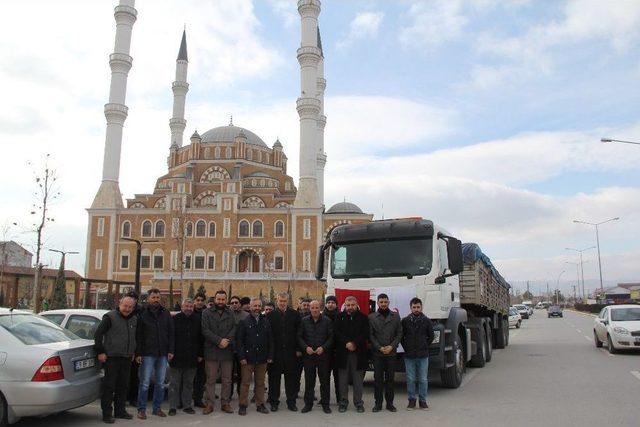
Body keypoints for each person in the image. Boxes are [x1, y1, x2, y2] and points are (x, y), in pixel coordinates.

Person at [94, 296, 138, 424]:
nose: (127, 309)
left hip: (127, 357)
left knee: (123, 386)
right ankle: (107, 414)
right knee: (109, 387)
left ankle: (120, 411)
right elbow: (98, 334)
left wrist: (133, 351)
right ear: (120, 304)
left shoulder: (134, 319)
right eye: (125, 306)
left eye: (130, 307)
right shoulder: (110, 317)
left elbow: (134, 337)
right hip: (112, 357)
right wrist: (100, 351)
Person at [135, 288, 174, 419]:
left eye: (158, 297)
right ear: (148, 298)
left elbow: (171, 333)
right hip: (147, 353)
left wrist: (170, 350)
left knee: (160, 383)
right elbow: (138, 335)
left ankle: (157, 408)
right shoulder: (142, 314)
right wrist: (138, 353)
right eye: (153, 297)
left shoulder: (165, 313)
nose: (156, 300)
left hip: (162, 353)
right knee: (145, 382)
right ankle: (141, 409)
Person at [235, 298, 273, 416]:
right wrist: (241, 357)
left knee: (260, 383)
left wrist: (270, 355)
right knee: (245, 382)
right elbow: (239, 341)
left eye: (258, 306)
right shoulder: (244, 322)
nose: (257, 308)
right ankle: (243, 405)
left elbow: (270, 340)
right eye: (254, 306)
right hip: (247, 358)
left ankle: (260, 404)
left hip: (262, 357)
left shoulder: (265, 321)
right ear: (250, 307)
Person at [201, 290, 236, 414]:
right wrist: (219, 341)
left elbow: (234, 328)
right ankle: (209, 404)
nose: (220, 302)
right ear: (215, 299)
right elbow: (205, 330)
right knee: (210, 379)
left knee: (227, 380)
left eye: (223, 299)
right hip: (212, 350)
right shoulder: (206, 313)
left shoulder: (231, 313)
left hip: (227, 351)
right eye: (218, 299)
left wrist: (227, 341)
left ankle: (225, 403)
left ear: (226, 300)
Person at [266, 292, 302, 412]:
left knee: (291, 379)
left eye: (284, 301)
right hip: (275, 353)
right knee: (274, 379)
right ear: (277, 301)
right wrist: (269, 354)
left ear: (287, 301)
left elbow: (299, 334)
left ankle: (291, 402)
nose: (282, 303)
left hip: (291, 353)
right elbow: (268, 336)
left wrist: (298, 349)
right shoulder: (270, 316)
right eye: (280, 301)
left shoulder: (295, 315)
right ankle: (274, 402)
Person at [334, 296, 369, 413]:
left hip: (358, 353)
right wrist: (347, 343)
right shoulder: (339, 317)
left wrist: (354, 343)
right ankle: (343, 402)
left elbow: (365, 333)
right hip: (343, 353)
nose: (350, 307)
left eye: (352, 305)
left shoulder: (363, 318)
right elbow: (336, 332)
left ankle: (358, 402)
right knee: (343, 380)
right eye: (348, 305)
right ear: (345, 305)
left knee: (358, 380)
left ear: (356, 305)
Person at [168, 299, 203, 416]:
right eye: (186, 306)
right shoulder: (175, 319)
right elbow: (171, 337)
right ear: (182, 307)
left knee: (188, 383)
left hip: (192, 357)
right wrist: (170, 352)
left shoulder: (198, 320)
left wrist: (200, 354)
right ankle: (173, 406)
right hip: (176, 357)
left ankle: (187, 405)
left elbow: (200, 339)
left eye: (190, 306)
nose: (188, 308)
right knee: (174, 383)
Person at [297, 300, 333, 414]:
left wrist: (323, 347)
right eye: (312, 308)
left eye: (317, 307)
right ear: (310, 309)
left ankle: (325, 404)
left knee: (325, 381)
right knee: (309, 381)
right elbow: (299, 337)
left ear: (320, 308)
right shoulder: (304, 321)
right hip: (309, 356)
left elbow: (331, 337)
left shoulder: (327, 321)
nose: (315, 310)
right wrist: (305, 347)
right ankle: (308, 404)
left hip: (323, 356)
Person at [369, 293, 403, 412]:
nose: (383, 304)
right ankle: (378, 404)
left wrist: (391, 346)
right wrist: (379, 347)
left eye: (385, 302)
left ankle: (390, 404)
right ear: (377, 303)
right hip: (378, 354)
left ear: (388, 302)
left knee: (390, 380)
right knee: (378, 380)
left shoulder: (395, 316)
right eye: (381, 302)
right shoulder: (372, 317)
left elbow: (399, 333)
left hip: (391, 353)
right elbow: (371, 335)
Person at [401, 297, 434, 410]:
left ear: (421, 307)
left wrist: (424, 345)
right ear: (410, 308)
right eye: (414, 307)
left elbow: (431, 336)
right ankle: (411, 401)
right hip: (409, 355)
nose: (416, 309)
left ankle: (423, 401)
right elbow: (401, 337)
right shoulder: (405, 321)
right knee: (410, 379)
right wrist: (407, 347)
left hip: (423, 355)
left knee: (423, 379)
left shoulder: (427, 321)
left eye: (418, 307)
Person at [229, 295, 248, 399]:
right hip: (229, 349)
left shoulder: (246, 315)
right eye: (232, 303)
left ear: (240, 304)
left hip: (242, 349)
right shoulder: (227, 314)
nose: (234, 304)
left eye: (236, 302)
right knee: (229, 374)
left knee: (242, 374)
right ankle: (229, 394)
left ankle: (241, 394)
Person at [125, 291, 142, 408]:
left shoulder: (140, 312)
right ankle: (122, 396)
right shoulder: (121, 311)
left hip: (135, 349)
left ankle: (133, 398)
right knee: (123, 375)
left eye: (134, 298)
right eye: (130, 297)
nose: (132, 300)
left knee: (134, 375)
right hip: (122, 349)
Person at [322, 295, 340, 404]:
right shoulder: (321, 317)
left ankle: (340, 399)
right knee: (324, 378)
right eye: (328, 302)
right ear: (325, 304)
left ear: (336, 304)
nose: (330, 304)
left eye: (332, 302)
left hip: (337, 352)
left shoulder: (340, 316)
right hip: (324, 352)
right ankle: (324, 399)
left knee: (338, 378)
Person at [192, 293, 207, 408]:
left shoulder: (207, 314)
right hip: (190, 351)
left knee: (200, 378)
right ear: (194, 301)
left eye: (202, 300)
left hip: (203, 351)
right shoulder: (189, 312)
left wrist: (201, 353)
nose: (200, 302)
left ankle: (198, 399)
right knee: (188, 377)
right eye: (198, 300)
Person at [295, 297, 311, 399]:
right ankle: (295, 391)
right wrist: (298, 349)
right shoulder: (296, 317)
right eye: (304, 305)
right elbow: (295, 335)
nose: (305, 307)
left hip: (310, 350)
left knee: (310, 374)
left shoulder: (314, 316)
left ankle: (309, 393)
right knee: (297, 373)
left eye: (307, 305)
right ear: (300, 305)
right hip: (299, 350)